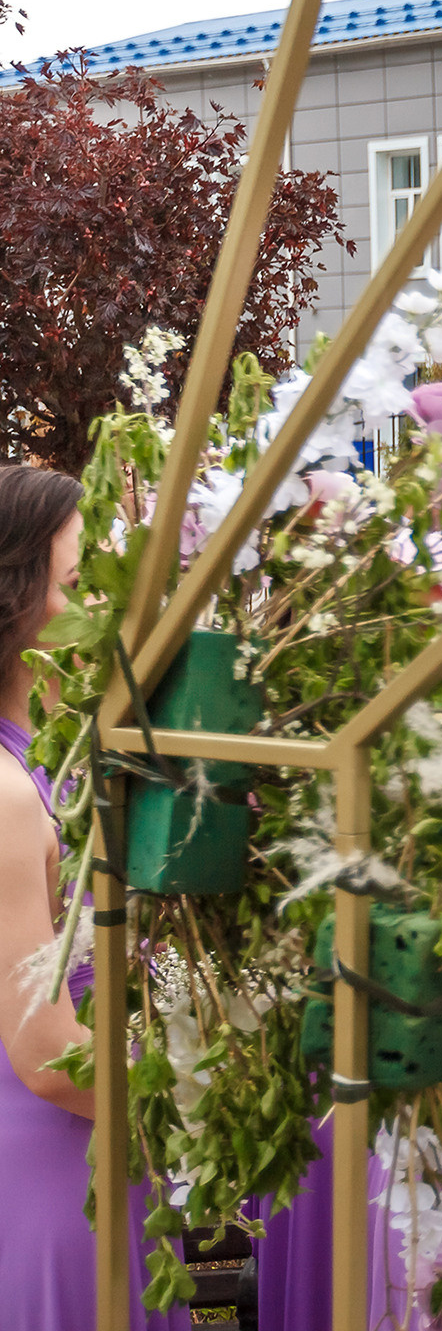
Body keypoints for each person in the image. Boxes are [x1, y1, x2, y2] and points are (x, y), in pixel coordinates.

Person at [0, 467, 190, 1329]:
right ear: (18, 595)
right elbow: (43, 1051)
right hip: (59, 1166)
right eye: (83, 585)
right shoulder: (6, 792)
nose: (110, 608)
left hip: (107, 1137)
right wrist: (196, 1109)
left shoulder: (54, 752)